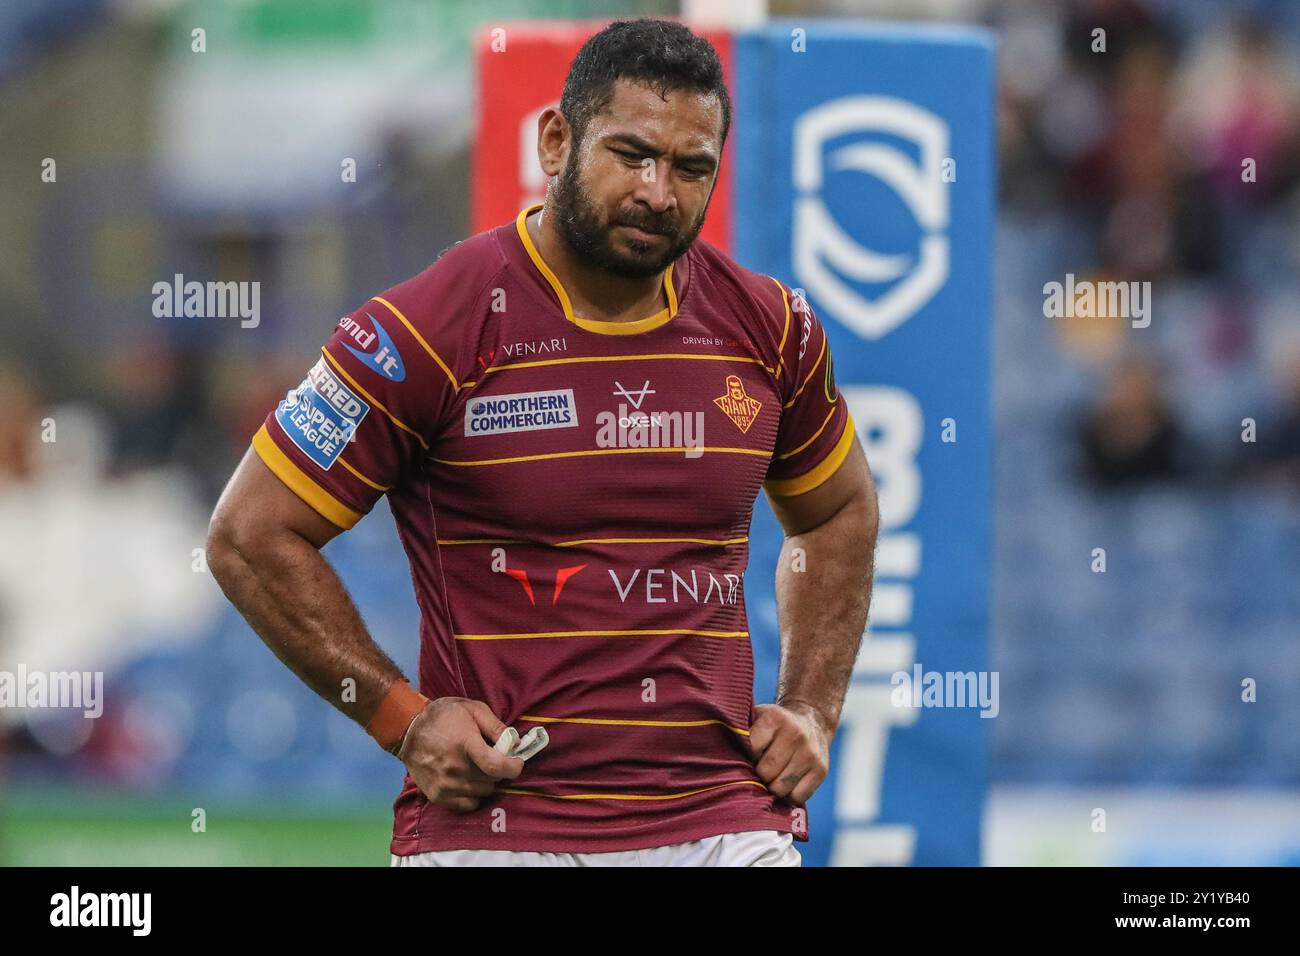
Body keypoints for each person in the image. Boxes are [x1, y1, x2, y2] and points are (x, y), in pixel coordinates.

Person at [207, 18, 878, 867]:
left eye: (690, 167)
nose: (657, 192)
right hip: (500, 830)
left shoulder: (772, 327)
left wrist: (813, 707)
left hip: (723, 826)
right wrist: (401, 719)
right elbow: (248, 534)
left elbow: (840, 510)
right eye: (631, 154)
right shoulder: (424, 326)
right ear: (556, 141)